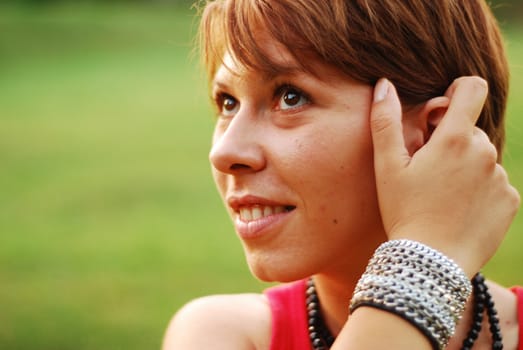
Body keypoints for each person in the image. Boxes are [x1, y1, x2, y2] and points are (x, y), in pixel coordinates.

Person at [163, 1, 523, 349]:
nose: (224, 152)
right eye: (228, 103)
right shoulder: (218, 335)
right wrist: (425, 262)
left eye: (291, 97)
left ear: (435, 134)